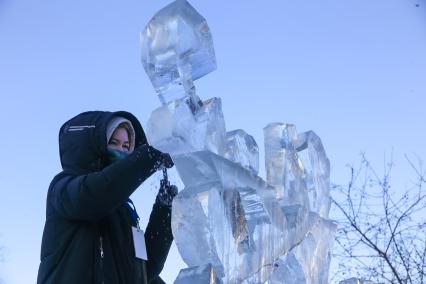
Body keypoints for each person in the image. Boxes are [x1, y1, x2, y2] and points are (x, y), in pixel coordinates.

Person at [37, 111, 178, 284]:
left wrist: (165, 209)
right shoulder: (63, 188)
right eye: (114, 143)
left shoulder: (126, 212)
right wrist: (150, 155)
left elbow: (145, 269)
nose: (122, 151)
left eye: (127, 146)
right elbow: (96, 195)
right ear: (95, 147)